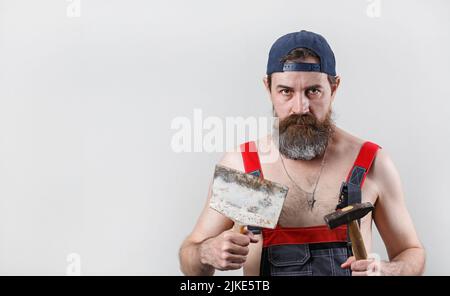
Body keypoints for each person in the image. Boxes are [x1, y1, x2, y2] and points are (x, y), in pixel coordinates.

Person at [179, 30, 425, 276]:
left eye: (313, 91)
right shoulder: (243, 166)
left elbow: (411, 252)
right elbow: (190, 261)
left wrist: (389, 271)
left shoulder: (372, 163)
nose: (300, 107)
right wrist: (206, 252)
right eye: (286, 91)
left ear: (333, 87)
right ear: (268, 87)